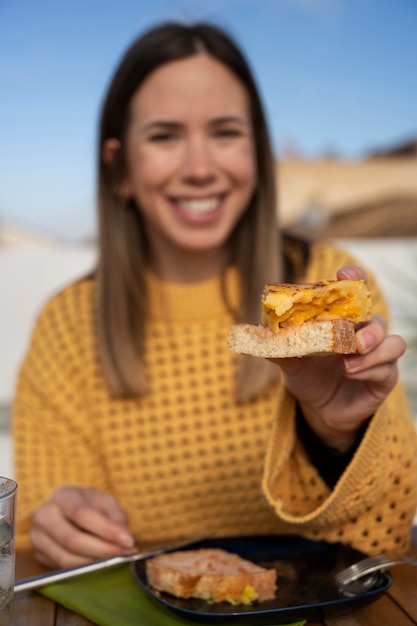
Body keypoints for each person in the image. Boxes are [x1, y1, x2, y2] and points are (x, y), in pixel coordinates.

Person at [13, 21, 417, 569]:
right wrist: (55, 525)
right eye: (164, 136)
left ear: (257, 152)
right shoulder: (67, 326)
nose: (200, 168)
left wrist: (336, 431)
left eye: (226, 132)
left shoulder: (328, 281)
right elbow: (38, 533)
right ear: (119, 164)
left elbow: (388, 534)